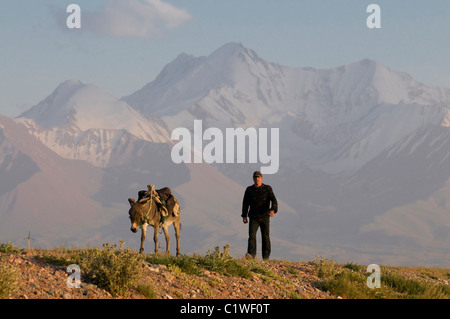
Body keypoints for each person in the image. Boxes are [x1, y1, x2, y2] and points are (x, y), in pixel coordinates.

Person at [241, 171, 278, 260]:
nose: (257, 179)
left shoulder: (267, 188)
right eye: (255, 177)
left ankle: (266, 257)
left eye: (258, 177)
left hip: (265, 216)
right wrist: (244, 215)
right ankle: (251, 256)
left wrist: (273, 210)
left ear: (261, 178)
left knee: (265, 236)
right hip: (253, 217)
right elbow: (245, 203)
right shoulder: (249, 190)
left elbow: (274, 200)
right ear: (253, 178)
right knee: (252, 236)